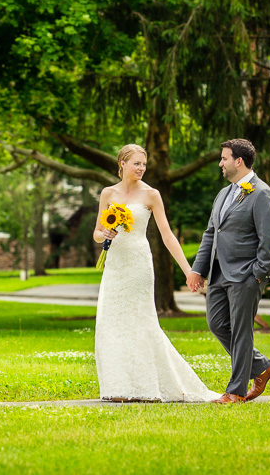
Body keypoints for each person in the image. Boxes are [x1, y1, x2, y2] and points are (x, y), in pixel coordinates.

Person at [93, 144, 220, 402]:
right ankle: (119, 387)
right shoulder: (108, 193)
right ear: (122, 164)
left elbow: (167, 235)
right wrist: (103, 235)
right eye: (137, 163)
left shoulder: (152, 195)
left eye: (144, 164)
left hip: (139, 264)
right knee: (112, 322)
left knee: (141, 322)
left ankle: (146, 386)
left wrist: (189, 270)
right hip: (115, 265)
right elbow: (96, 233)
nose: (141, 168)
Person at [187, 139, 270, 404]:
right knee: (217, 324)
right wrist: (198, 269)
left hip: (246, 277)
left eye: (224, 158)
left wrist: (258, 275)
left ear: (238, 161)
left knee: (242, 332)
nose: (220, 163)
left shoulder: (262, 194)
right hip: (218, 275)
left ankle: (236, 391)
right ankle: (262, 366)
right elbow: (211, 234)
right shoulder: (223, 194)